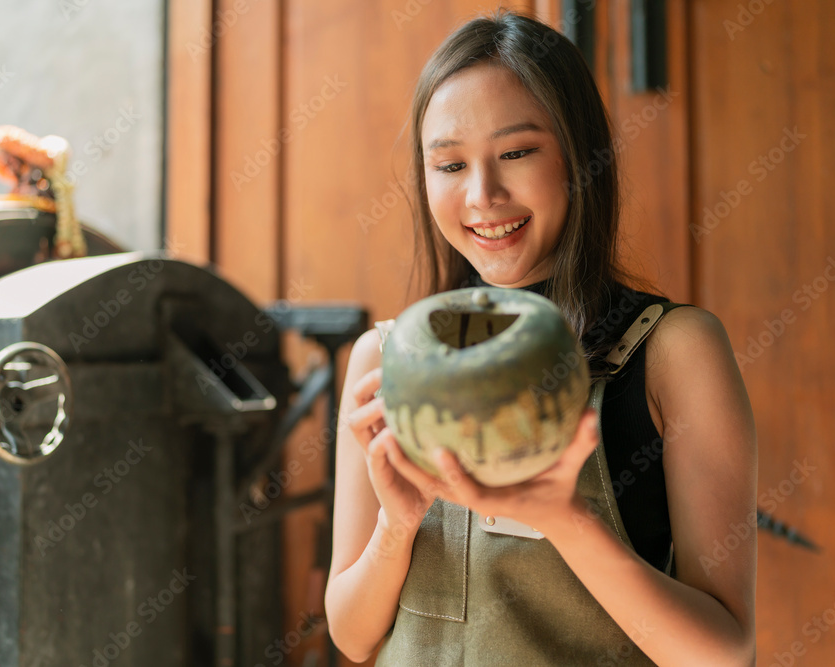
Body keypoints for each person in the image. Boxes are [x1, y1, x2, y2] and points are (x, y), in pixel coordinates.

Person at [324, 9, 757, 666]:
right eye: (448, 164)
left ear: (582, 157)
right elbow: (352, 635)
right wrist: (398, 523)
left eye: (517, 152)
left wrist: (565, 517)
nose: (483, 195)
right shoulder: (381, 357)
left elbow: (724, 653)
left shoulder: (671, 351)